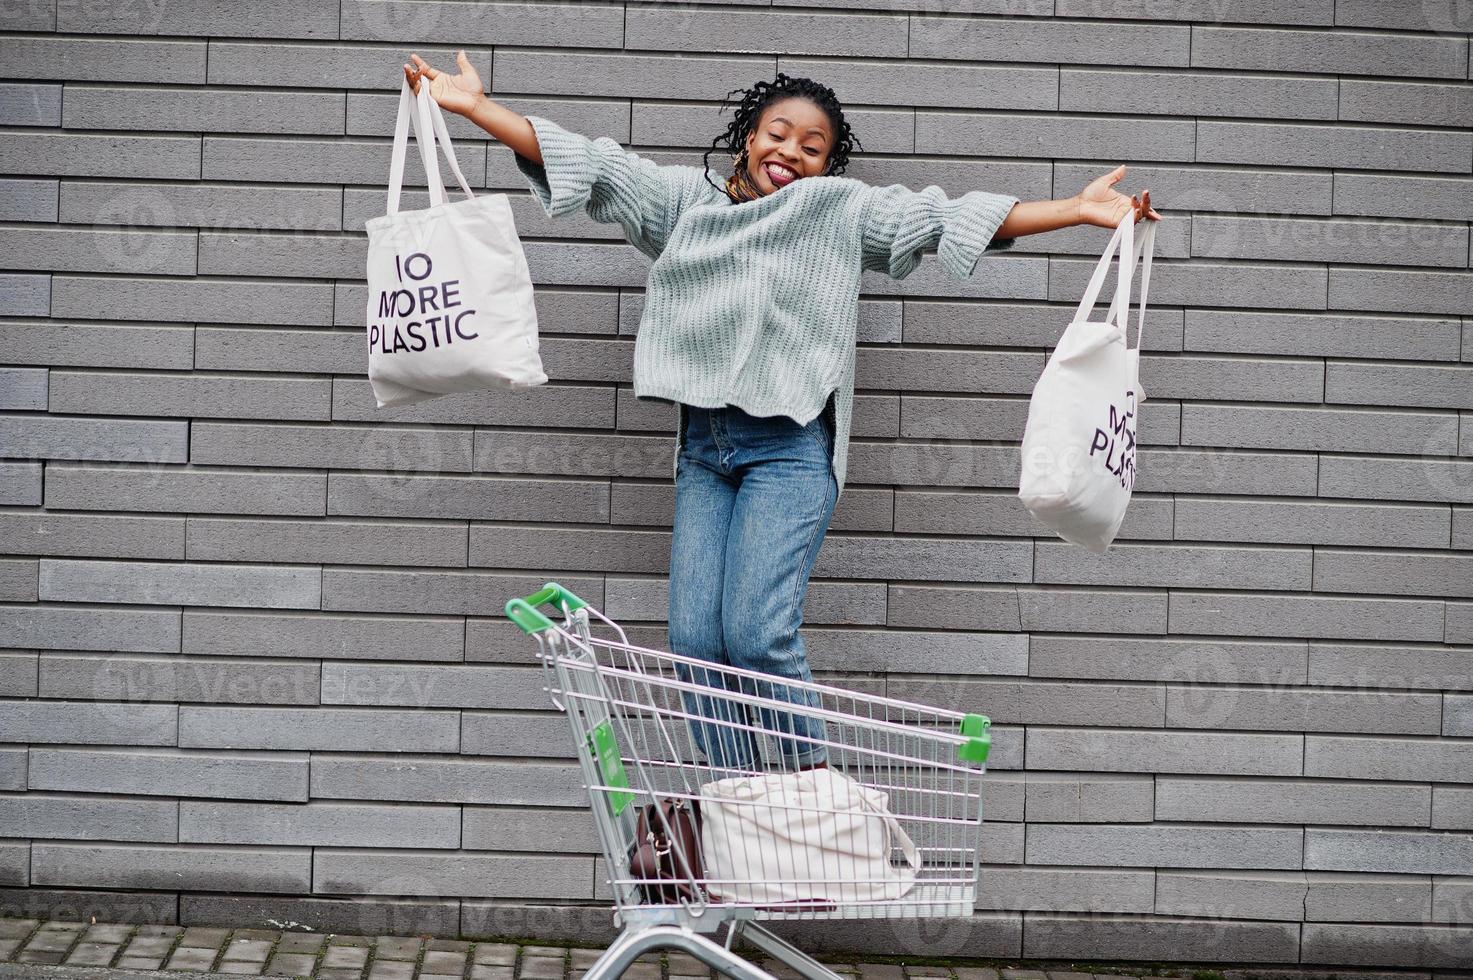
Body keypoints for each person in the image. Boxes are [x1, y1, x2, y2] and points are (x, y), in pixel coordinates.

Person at [406, 52, 1161, 773]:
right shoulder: (682, 205)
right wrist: (476, 108)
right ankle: (740, 801)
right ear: (747, 138)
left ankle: (807, 792)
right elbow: (595, 167)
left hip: (789, 452)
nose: (790, 152)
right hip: (706, 452)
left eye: (812, 146)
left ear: (827, 165)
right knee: (696, 646)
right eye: (777, 134)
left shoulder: (837, 212)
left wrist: (1074, 210)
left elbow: (943, 220)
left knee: (758, 635)